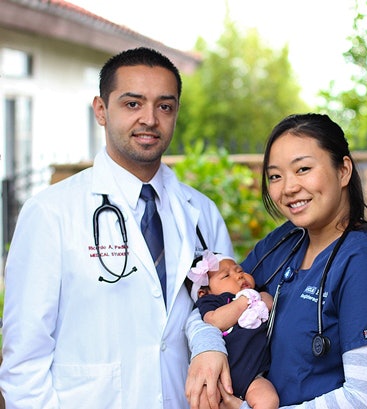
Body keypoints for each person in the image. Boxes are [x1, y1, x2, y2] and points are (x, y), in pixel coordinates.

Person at [0, 47, 234, 409]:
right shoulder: (50, 213)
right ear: (101, 110)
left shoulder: (201, 212)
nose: (150, 119)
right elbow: (24, 360)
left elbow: (223, 315)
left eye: (165, 106)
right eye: (132, 104)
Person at [185, 113, 367, 409]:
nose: (287, 188)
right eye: (275, 176)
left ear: (344, 170)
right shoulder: (284, 242)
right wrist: (207, 347)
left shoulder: (363, 261)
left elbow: (365, 399)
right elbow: (206, 300)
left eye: (303, 169)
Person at [186, 250, 278, 409]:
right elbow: (215, 320)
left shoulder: (258, 293)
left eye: (240, 270)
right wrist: (245, 300)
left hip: (253, 378)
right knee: (201, 401)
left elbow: (270, 303)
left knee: (268, 400)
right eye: (226, 276)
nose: (239, 276)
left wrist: (255, 296)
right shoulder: (213, 302)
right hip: (217, 378)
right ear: (203, 293)